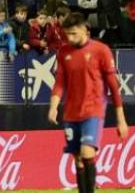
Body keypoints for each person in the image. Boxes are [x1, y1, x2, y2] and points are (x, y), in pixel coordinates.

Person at [48, 12, 128, 193]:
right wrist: (53, 107)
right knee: (77, 158)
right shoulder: (64, 52)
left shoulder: (101, 50)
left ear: (85, 29)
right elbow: (60, 82)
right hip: (71, 113)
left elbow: (113, 87)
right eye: (67, 34)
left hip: (93, 110)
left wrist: (120, 119)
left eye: (74, 33)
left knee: (87, 153)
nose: (70, 38)